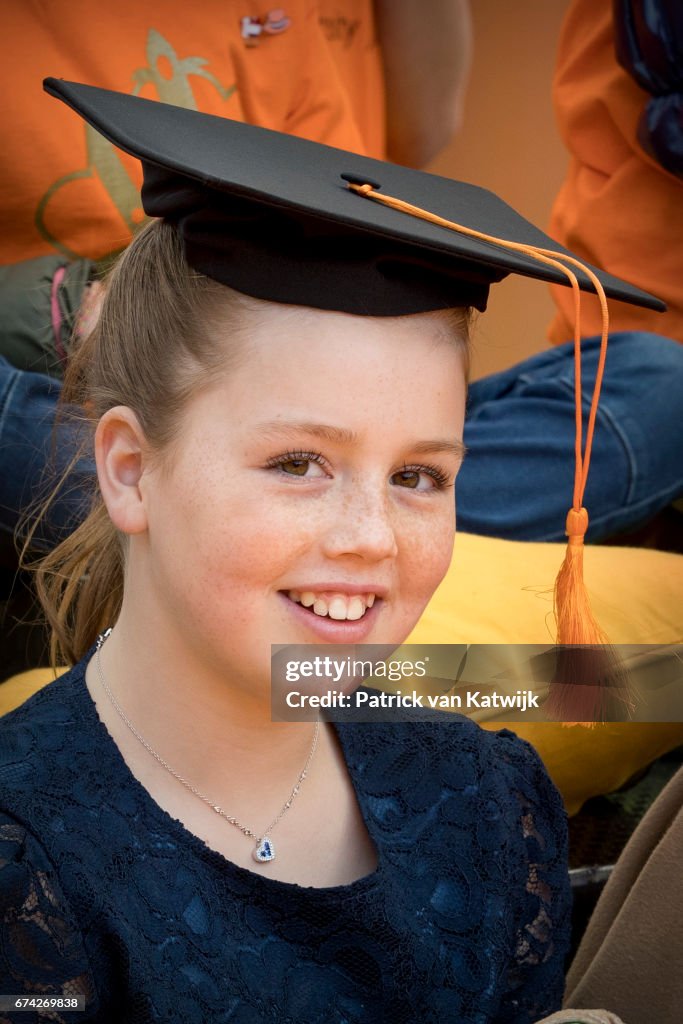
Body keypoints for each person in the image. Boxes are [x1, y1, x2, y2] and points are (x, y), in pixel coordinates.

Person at [0, 78, 660, 1021]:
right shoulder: (25, 860)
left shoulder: (483, 801)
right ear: (132, 470)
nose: (372, 538)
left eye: (419, 476)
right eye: (299, 462)